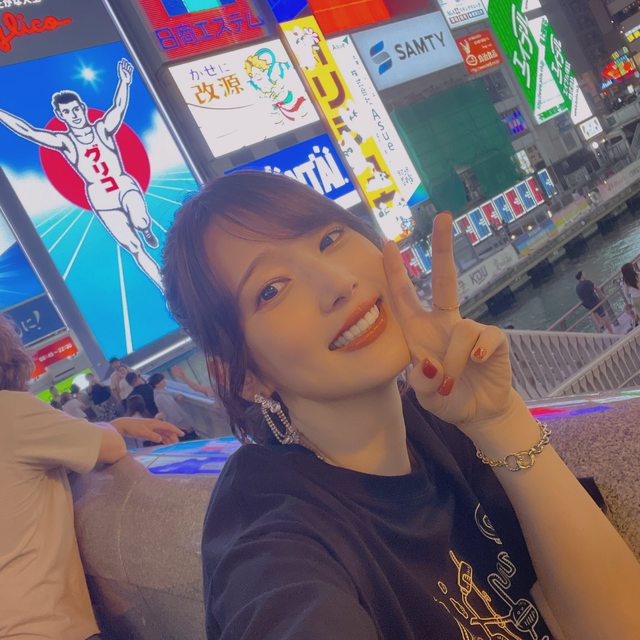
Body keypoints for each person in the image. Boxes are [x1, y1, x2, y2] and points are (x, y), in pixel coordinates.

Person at [163, 172, 640, 640]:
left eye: (329, 239)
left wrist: (499, 419)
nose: (338, 283)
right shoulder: (274, 541)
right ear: (245, 375)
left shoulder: (440, 425)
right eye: (271, 289)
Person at [0, 315, 184, 639]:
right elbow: (109, 447)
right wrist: (117, 428)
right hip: (43, 626)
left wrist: (118, 425)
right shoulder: (10, 411)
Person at [0, 59, 163, 290]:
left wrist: (124, 82)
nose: (74, 114)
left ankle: (146, 229)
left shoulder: (102, 128)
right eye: (67, 112)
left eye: (76, 109)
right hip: (101, 198)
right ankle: (164, 287)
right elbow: (27, 131)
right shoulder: (65, 141)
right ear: (60, 116)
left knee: (141, 220)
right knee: (135, 248)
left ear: (83, 108)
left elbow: (118, 107)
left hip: (123, 185)